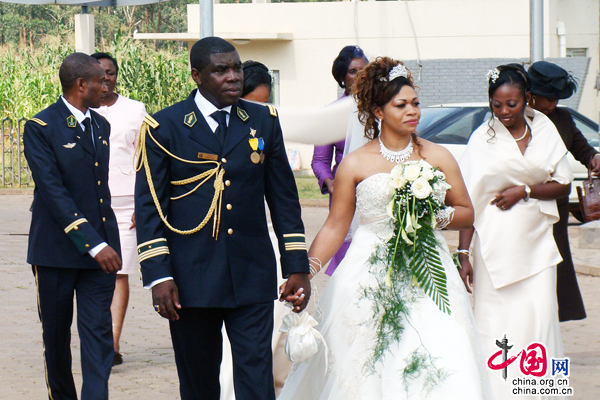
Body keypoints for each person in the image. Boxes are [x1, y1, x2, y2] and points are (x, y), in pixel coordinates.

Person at [279, 57, 492, 399]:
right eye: (401, 105)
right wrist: (304, 271)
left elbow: (467, 211)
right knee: (366, 361)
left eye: (416, 103)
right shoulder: (354, 164)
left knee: (438, 354)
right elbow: (335, 227)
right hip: (368, 273)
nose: (413, 111)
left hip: (429, 273)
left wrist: (431, 217)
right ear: (378, 112)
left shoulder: (437, 156)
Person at [134, 36, 310, 400]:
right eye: (221, 70)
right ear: (197, 75)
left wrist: (296, 265)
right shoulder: (164, 127)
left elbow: (284, 199)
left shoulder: (263, 120)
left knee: (256, 378)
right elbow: (150, 206)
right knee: (199, 382)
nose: (233, 77)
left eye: (237, 68)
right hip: (190, 278)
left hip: (252, 273)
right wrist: (158, 275)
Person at [458, 64, 572, 400]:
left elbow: (562, 185)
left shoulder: (546, 130)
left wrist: (524, 191)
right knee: (495, 326)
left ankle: (542, 392)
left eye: (512, 104)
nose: (505, 111)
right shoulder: (481, 139)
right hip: (494, 245)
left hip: (537, 245)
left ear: (528, 100)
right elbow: (469, 202)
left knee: (541, 321)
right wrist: (464, 253)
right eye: (497, 104)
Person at [23, 52, 122, 400]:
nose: (106, 84)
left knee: (97, 333)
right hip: (56, 252)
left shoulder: (101, 126)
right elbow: (53, 192)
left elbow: (99, 191)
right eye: (101, 80)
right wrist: (93, 243)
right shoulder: (40, 127)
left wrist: (105, 242)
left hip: (101, 255)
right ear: (82, 85)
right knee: (56, 337)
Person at [528, 61, 599, 322]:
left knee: (558, 265)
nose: (553, 104)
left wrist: (593, 158)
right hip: (525, 206)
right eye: (549, 99)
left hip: (556, 208)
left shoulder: (563, 117)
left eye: (557, 98)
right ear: (531, 95)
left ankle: (554, 318)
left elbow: (582, 148)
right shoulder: (517, 118)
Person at [91, 52, 147, 365]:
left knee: (119, 273)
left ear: (116, 75)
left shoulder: (135, 110)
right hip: (87, 205)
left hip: (126, 206)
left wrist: (144, 202)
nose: (106, 78)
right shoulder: (78, 110)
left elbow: (145, 158)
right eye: (99, 73)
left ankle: (110, 345)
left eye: (110, 72)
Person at [310, 45, 368, 275]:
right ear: (342, 77)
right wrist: (332, 185)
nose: (359, 76)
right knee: (347, 264)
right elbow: (319, 161)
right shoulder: (330, 114)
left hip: (377, 190)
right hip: (345, 193)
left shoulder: (382, 109)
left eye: (364, 71)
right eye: (353, 71)